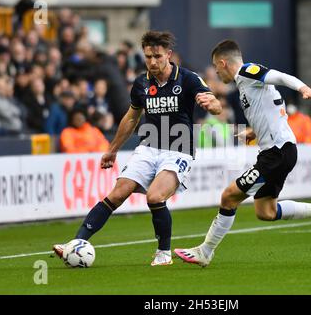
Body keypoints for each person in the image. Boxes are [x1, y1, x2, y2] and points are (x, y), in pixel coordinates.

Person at [53, 31, 222, 266]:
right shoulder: (141, 83)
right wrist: (112, 149)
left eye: (157, 56)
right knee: (117, 193)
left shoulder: (188, 79)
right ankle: (75, 243)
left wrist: (211, 104)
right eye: (148, 56)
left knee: (154, 196)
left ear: (168, 55)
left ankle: (163, 253)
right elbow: (131, 118)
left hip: (179, 149)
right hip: (149, 147)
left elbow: (215, 104)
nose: (152, 62)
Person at [174, 40, 311, 267]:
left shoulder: (248, 71)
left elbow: (279, 76)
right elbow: (272, 110)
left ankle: (206, 251)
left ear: (222, 62)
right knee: (266, 211)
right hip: (278, 151)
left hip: (277, 153)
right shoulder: (245, 84)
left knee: (229, 196)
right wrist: (255, 132)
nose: (216, 72)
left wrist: (303, 89)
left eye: (216, 66)